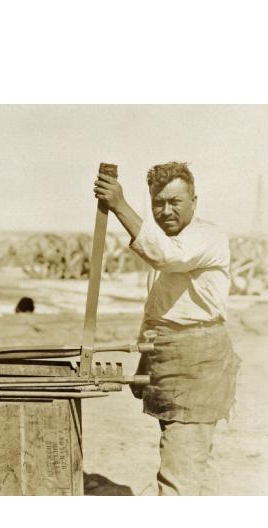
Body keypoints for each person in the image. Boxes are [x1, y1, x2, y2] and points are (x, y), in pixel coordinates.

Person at [93, 161, 240, 495]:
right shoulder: (164, 242)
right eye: (158, 202)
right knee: (178, 456)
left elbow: (167, 257)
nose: (166, 210)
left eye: (175, 201)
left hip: (199, 364)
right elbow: (157, 313)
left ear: (194, 202)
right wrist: (145, 363)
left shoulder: (206, 237)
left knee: (180, 471)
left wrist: (119, 205)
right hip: (168, 360)